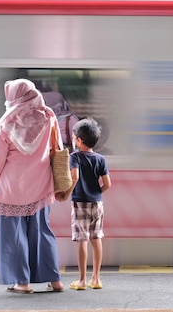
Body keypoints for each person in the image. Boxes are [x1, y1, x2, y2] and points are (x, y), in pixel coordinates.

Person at [0, 78, 64, 294]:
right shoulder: (48, 116)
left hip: (12, 189)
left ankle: (22, 282)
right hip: (41, 185)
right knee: (42, 232)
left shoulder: (6, 123)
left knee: (14, 236)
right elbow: (57, 146)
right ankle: (54, 279)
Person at [56, 118, 112, 290]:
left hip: (80, 203)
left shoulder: (74, 157)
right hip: (97, 204)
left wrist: (66, 194)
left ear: (79, 141)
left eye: (73, 136)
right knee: (96, 238)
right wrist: (95, 193)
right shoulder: (101, 159)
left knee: (82, 240)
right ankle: (96, 279)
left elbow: (75, 177)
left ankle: (81, 280)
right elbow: (108, 184)